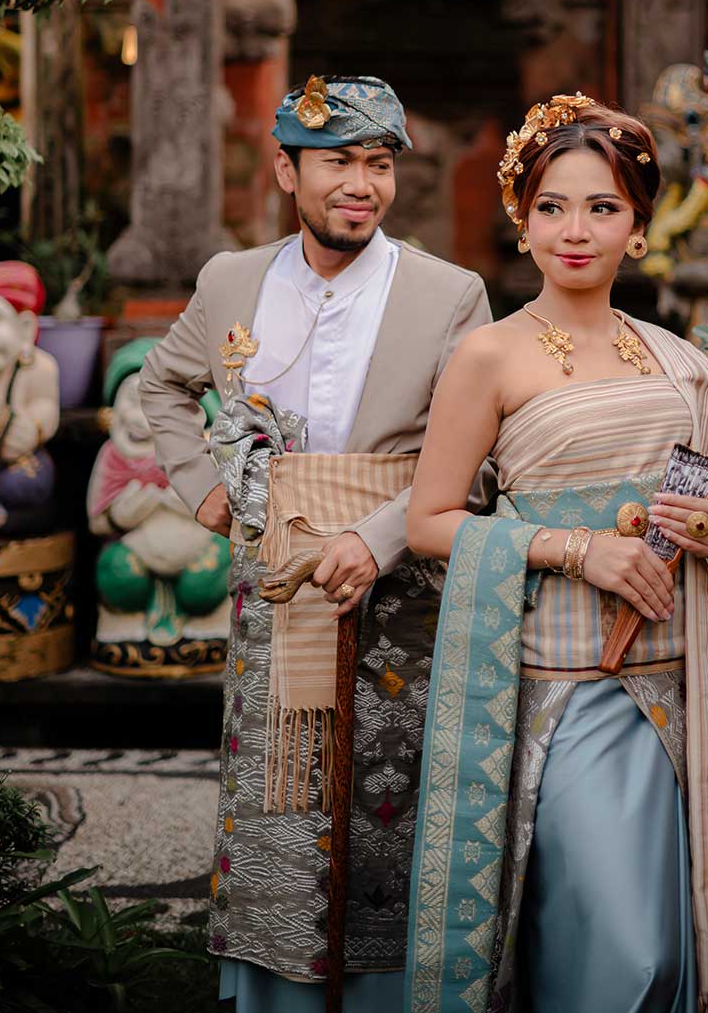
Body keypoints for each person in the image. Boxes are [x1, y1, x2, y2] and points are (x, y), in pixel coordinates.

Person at [139, 74, 493, 1013]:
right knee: (279, 811)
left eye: (379, 164)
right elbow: (161, 386)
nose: (362, 185)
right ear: (286, 171)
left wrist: (377, 541)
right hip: (277, 593)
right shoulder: (230, 280)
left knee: (393, 814)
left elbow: (480, 454)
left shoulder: (450, 294)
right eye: (338, 162)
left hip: (406, 602)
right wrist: (206, 489)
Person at [404, 95, 708, 1013]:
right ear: (521, 222)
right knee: (623, 954)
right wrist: (576, 551)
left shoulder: (681, 362)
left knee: (676, 950)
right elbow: (429, 521)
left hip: (677, 688)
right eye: (552, 207)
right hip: (565, 692)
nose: (575, 230)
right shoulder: (489, 356)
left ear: (638, 227)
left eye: (603, 207)